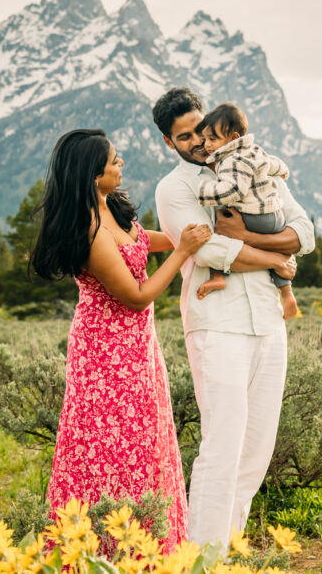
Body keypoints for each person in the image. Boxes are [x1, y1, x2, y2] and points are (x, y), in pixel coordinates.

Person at [31, 128, 212, 552]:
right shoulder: (89, 231)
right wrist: (183, 253)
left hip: (136, 350)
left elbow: (145, 242)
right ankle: (102, 550)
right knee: (106, 447)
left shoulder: (112, 209)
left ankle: (148, 546)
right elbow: (136, 296)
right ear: (94, 175)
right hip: (104, 353)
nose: (121, 163)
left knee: (143, 441)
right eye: (114, 160)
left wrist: (193, 236)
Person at [152, 88, 315, 547]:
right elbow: (208, 248)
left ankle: (228, 548)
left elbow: (306, 231)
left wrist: (252, 239)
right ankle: (202, 558)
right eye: (185, 138)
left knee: (256, 451)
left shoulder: (256, 163)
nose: (199, 144)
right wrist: (274, 257)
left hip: (268, 320)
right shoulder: (174, 189)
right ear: (169, 142)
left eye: (200, 130)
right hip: (216, 323)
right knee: (222, 446)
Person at [193, 103, 299, 320]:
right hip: (274, 216)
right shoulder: (255, 151)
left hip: (254, 216)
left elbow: (233, 190)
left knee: (222, 229)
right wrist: (284, 171)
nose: (207, 145)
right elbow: (274, 165)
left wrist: (203, 191)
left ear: (232, 138)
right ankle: (286, 292)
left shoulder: (232, 160)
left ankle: (217, 275)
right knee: (279, 253)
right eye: (205, 139)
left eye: (213, 139)